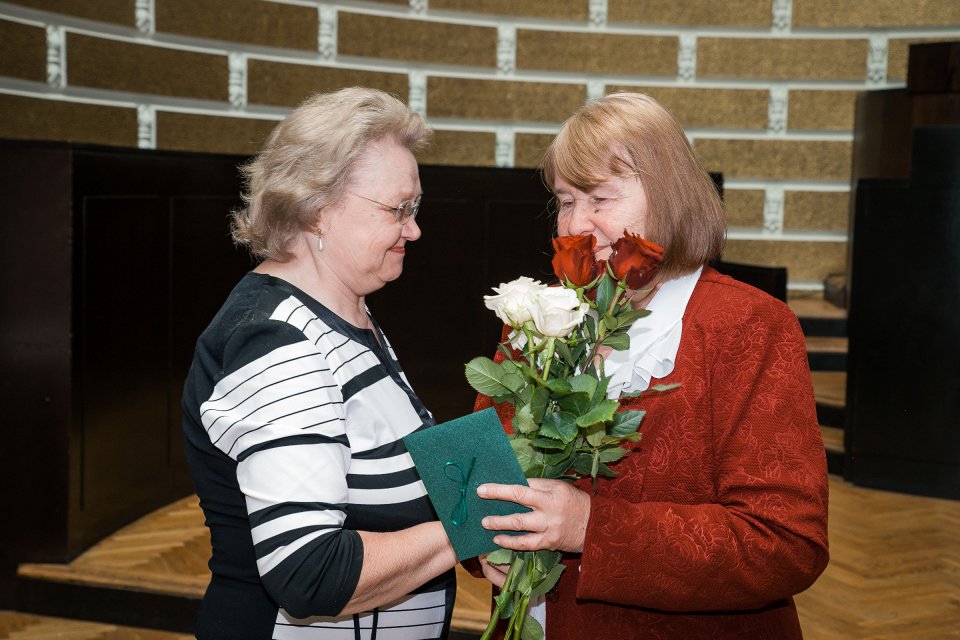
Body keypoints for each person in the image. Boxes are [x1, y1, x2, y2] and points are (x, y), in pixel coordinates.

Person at [474, 93, 829, 638]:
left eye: (600, 197)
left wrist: (592, 527)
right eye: (566, 201)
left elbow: (784, 543)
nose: (578, 224)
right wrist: (484, 546)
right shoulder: (539, 316)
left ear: (667, 196)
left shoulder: (749, 326)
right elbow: (487, 475)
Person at [182, 87, 458, 639]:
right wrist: (472, 527)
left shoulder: (345, 310)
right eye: (398, 209)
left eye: (416, 207)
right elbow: (310, 573)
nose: (414, 228)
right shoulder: (275, 342)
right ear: (318, 209)